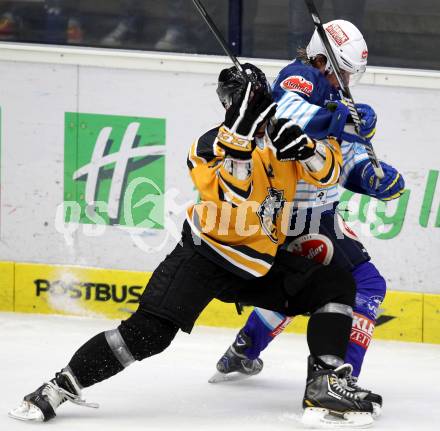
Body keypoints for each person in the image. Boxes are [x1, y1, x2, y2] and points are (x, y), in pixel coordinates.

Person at [9, 63, 376, 428]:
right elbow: (237, 197)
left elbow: (328, 172)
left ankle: (325, 385)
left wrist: (305, 148)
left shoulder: (283, 138)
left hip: (258, 267)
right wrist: (241, 141)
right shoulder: (208, 145)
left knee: (335, 284)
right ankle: (58, 387)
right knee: (146, 336)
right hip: (204, 258)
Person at [211, 20, 405, 417]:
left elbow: (337, 158)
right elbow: (287, 117)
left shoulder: (330, 90)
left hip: (312, 214)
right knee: (366, 284)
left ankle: (246, 347)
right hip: (302, 216)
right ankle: (338, 380)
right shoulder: (301, 76)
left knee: (301, 289)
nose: (349, 79)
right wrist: (341, 118)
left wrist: (369, 176)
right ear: (324, 59)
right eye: (345, 69)